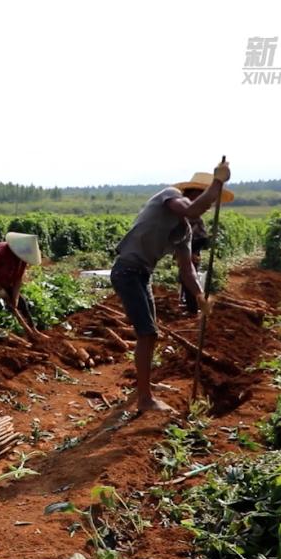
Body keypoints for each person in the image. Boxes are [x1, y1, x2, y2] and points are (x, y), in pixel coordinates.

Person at [110, 160, 233, 413]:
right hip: (127, 271)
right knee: (147, 334)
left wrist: (199, 296)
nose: (206, 206)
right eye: (204, 197)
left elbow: (186, 268)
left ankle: (144, 390)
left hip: (143, 275)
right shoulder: (171, 196)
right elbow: (191, 210)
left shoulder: (184, 231)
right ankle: (145, 399)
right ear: (191, 193)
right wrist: (217, 183)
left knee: (150, 334)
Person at [0, 232, 50, 342]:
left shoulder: (23, 258)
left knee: (21, 304)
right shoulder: (1, 251)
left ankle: (33, 331)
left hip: (5, 280)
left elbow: (18, 279)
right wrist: (1, 291)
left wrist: (15, 297)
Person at [181, 215, 210, 314]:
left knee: (189, 279)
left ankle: (192, 308)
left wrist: (193, 252)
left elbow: (203, 239)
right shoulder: (188, 218)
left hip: (192, 253)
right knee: (184, 279)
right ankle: (189, 305)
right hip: (187, 253)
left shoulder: (195, 219)